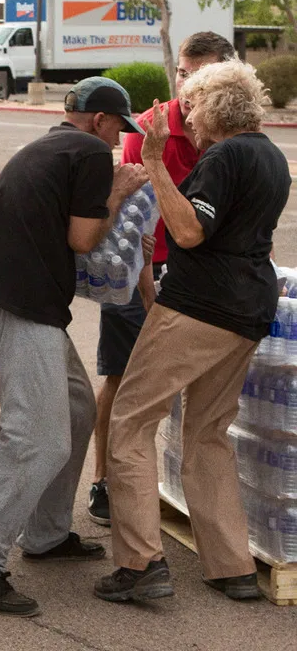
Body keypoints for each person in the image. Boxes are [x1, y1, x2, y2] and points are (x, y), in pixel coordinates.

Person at [97, 61, 290, 604]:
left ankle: (140, 564)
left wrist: (155, 162)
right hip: (248, 310)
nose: (188, 117)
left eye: (191, 106)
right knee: (207, 433)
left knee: (130, 422)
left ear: (213, 108)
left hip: (199, 307)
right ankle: (230, 566)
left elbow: (187, 230)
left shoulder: (226, 155)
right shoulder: (271, 156)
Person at [0, 77, 148, 617]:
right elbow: (83, 238)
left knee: (78, 408)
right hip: (21, 311)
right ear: (102, 120)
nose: (116, 143)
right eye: (117, 130)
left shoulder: (46, 144)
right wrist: (119, 192)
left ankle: (45, 534)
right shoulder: (88, 151)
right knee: (38, 441)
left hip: (15, 306)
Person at [87, 31, 237, 526]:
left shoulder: (230, 135)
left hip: (203, 277)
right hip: (143, 268)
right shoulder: (148, 128)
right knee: (123, 376)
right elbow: (131, 213)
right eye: (182, 73)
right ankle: (105, 481)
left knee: (195, 388)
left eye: (201, 74)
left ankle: (174, 486)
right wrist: (144, 281)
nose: (188, 83)